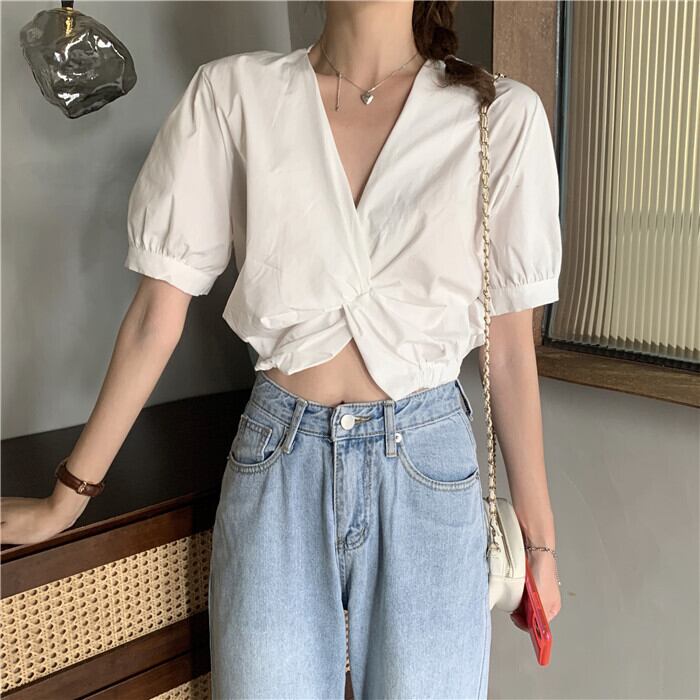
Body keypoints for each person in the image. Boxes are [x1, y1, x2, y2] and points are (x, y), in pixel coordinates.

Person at [1, 1, 563, 697]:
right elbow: (153, 317)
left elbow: (507, 354)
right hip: (278, 464)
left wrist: (540, 546)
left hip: (429, 469)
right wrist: (66, 499)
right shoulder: (233, 96)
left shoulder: (499, 116)